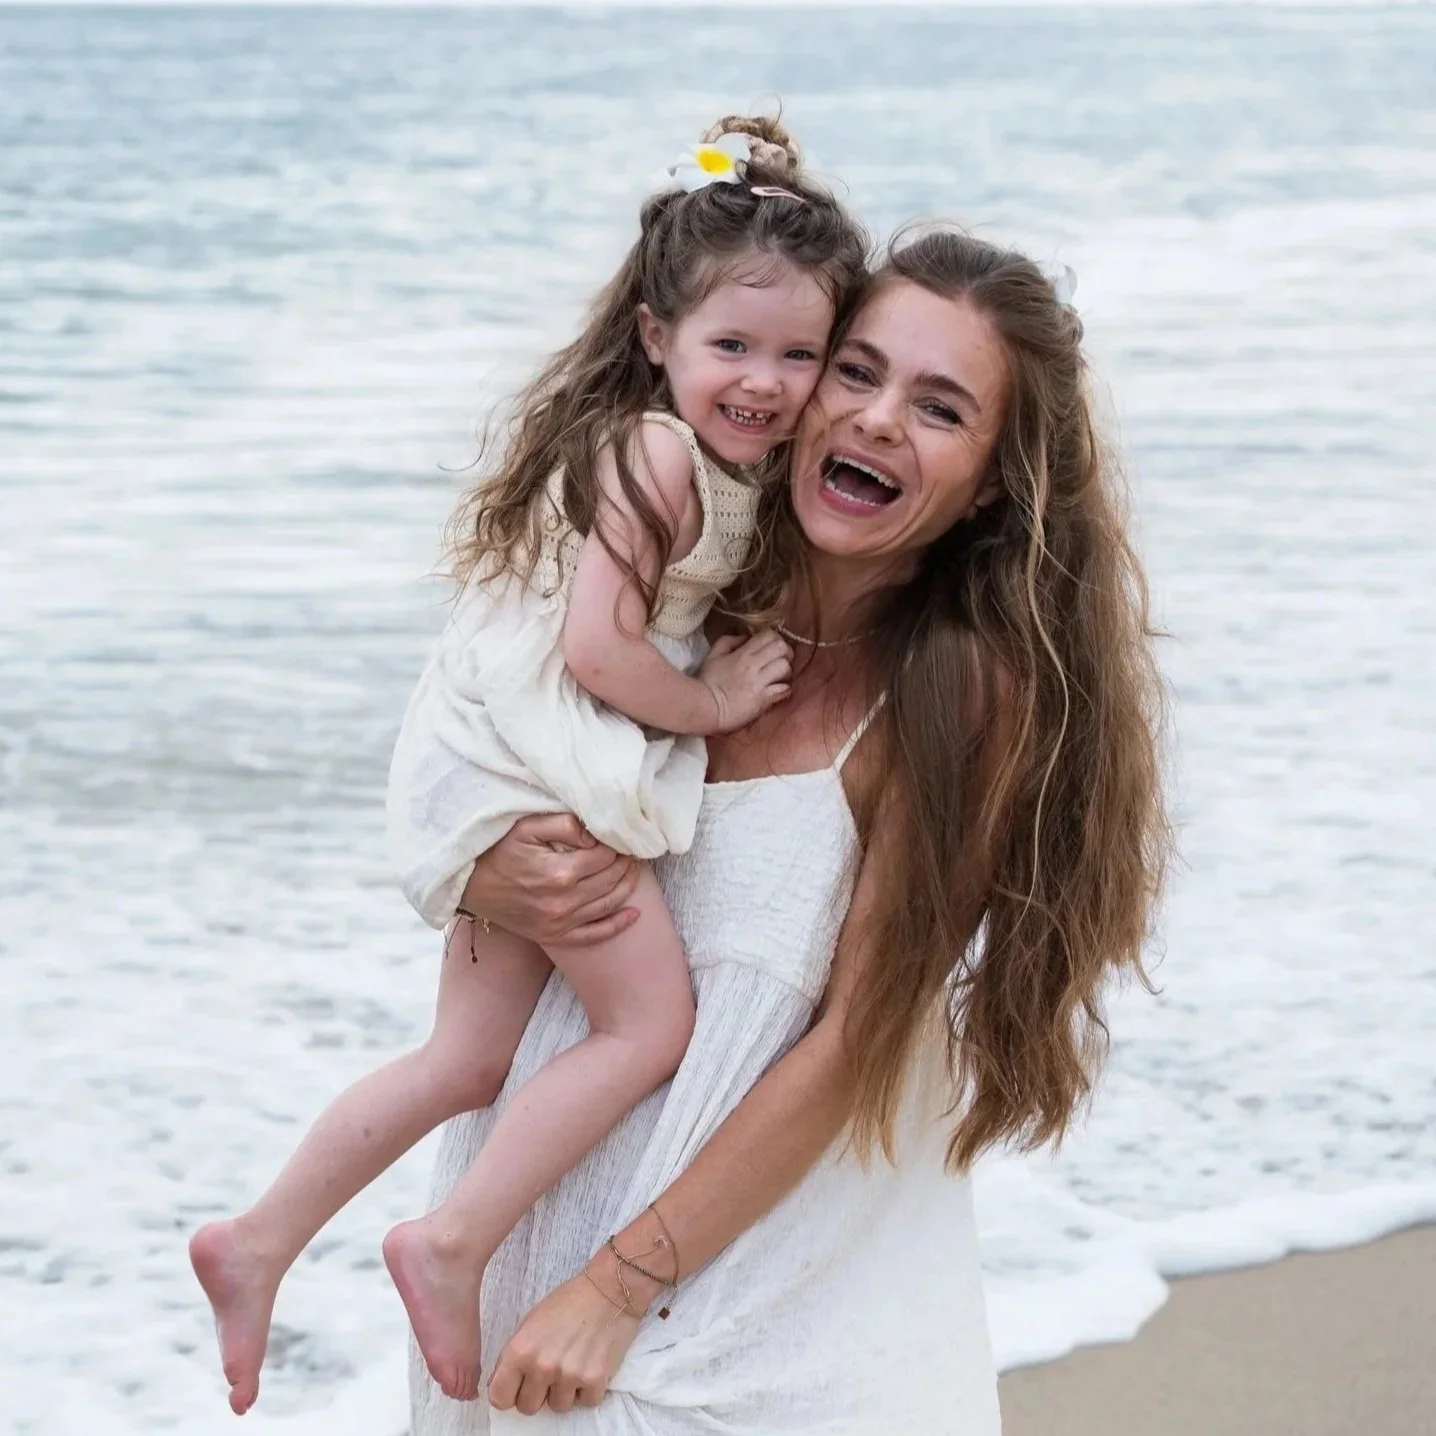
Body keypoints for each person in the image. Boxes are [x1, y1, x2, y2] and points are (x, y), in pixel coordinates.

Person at [410, 224, 1171, 1434]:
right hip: (515, 1296)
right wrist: (486, 866)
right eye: (856, 371)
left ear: (987, 482)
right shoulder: (674, 602)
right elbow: (461, 739)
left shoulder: (958, 691)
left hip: (744, 1335)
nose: (872, 419)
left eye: (938, 407)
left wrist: (616, 1284)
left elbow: (855, 1038)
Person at [188, 115, 869, 1415]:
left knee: (465, 1061)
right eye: (734, 346)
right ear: (656, 335)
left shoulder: (694, 445)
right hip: (533, 757)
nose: (769, 382)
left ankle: (259, 1237)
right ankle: (449, 1245)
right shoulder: (662, 453)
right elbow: (602, 649)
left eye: (802, 354)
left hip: (493, 749)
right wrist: (713, 700)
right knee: (648, 1024)